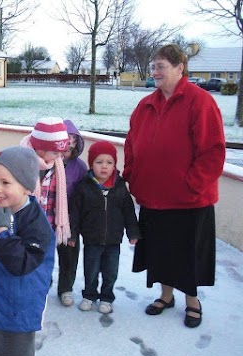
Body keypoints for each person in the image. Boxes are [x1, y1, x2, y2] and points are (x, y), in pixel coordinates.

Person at [123, 44, 226, 328]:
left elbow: (213, 151)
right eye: (153, 66)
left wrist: (191, 185)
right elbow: (131, 143)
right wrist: (132, 172)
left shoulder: (200, 102)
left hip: (189, 200)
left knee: (187, 254)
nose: (155, 71)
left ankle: (192, 302)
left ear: (180, 68)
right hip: (153, 198)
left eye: (161, 66)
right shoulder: (145, 105)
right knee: (159, 251)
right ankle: (165, 297)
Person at [0, 147, 55, 356]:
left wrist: (1, 234)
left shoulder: (37, 224)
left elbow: (21, 264)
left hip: (16, 316)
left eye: (5, 183)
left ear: (27, 187)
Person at [70, 140, 140, 314]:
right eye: (99, 162)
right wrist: (72, 235)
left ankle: (107, 297)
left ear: (115, 165)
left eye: (109, 163)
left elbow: (129, 212)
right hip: (92, 239)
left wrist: (133, 232)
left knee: (110, 272)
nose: (104, 167)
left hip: (113, 241)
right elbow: (75, 214)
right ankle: (89, 295)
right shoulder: (83, 188)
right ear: (91, 163)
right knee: (91, 270)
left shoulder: (120, 188)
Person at [20, 117, 70, 246]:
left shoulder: (57, 166)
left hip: (48, 227)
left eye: (61, 152)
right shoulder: (21, 163)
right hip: (24, 228)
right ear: (40, 149)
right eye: (55, 152)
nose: (59, 156)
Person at [57, 119, 88, 306]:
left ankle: (66, 288)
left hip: (70, 220)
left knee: (69, 255)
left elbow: (84, 193)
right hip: (48, 215)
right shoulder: (47, 163)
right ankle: (42, 283)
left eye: (71, 142)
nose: (64, 152)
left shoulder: (80, 167)